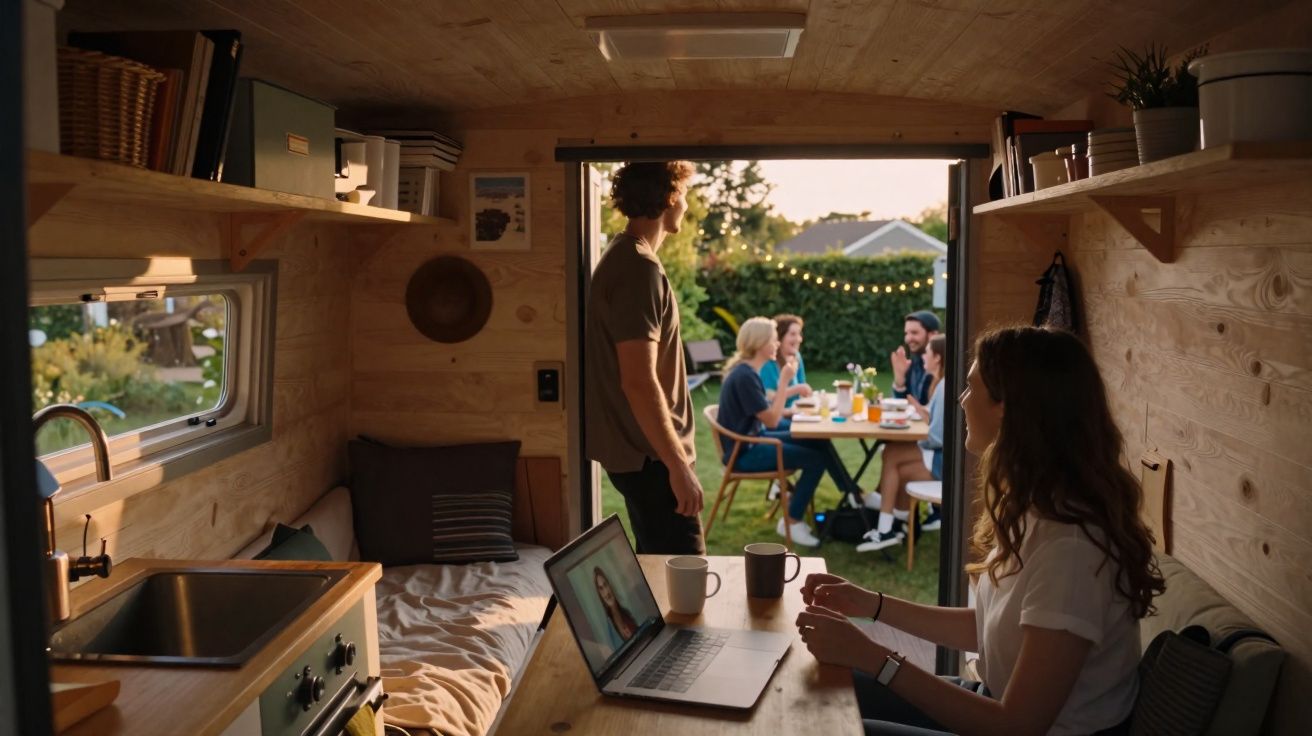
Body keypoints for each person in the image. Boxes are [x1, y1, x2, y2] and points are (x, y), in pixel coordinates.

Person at [796, 326, 1164, 735]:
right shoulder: (1037, 508)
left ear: (1009, 408)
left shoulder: (1071, 551)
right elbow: (987, 627)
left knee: (828, 726)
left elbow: (1017, 725)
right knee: (820, 692)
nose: (961, 399)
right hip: (991, 700)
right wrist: (869, 603)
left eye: (971, 387)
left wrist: (873, 657)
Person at [585, 161, 706, 555]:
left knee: (659, 571)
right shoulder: (638, 269)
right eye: (685, 194)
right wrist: (678, 467)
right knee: (685, 578)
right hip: (651, 461)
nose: (687, 204)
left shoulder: (626, 256)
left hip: (645, 459)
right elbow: (638, 380)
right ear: (670, 197)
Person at [716, 317, 862, 547]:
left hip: (754, 439)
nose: (776, 344)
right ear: (760, 343)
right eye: (774, 340)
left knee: (819, 443)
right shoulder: (745, 376)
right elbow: (773, 420)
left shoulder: (746, 372)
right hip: (745, 452)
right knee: (816, 460)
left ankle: (853, 494)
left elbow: (768, 417)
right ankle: (792, 521)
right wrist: (785, 381)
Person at [858, 334, 947, 553]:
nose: (923, 356)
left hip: (944, 463)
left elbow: (937, 438)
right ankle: (892, 521)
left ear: (937, 357)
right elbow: (939, 423)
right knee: (892, 457)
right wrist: (922, 411)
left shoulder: (944, 386)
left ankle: (890, 521)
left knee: (892, 454)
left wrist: (916, 441)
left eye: (927, 352)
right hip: (943, 457)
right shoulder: (942, 383)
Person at [759, 313, 813, 414]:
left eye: (799, 334)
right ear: (779, 337)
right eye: (793, 334)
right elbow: (769, 398)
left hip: (794, 414)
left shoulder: (797, 357)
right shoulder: (768, 363)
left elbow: (803, 391)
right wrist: (797, 389)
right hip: (777, 417)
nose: (799, 339)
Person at [890, 310, 941, 405]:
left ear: (933, 335)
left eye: (914, 333)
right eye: (906, 333)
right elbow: (901, 406)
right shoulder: (913, 363)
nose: (908, 339)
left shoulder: (943, 368)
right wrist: (899, 380)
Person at [594, 566, 639, 652]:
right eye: (601, 589)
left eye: (605, 585)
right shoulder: (608, 625)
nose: (606, 592)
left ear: (610, 585)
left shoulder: (626, 611)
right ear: (599, 594)